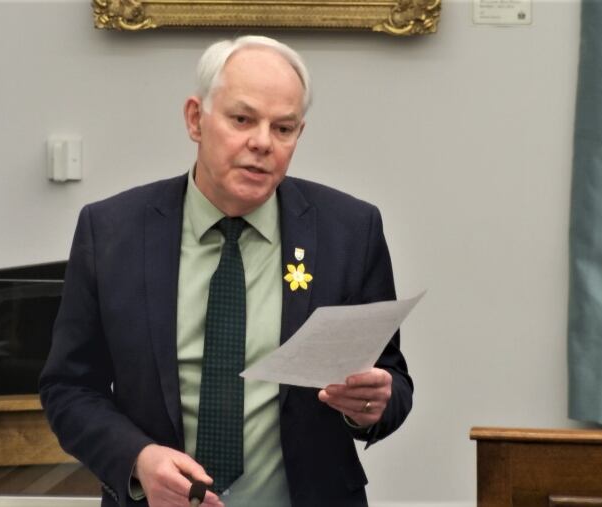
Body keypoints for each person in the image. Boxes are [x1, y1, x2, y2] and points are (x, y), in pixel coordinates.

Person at [39, 35, 413, 507]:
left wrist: (373, 405)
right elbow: (69, 388)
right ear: (196, 119)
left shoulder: (350, 231)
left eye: (284, 128)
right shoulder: (113, 232)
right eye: (242, 119)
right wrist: (138, 459)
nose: (262, 142)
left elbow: (391, 380)